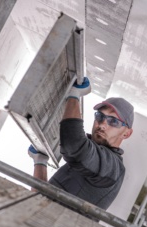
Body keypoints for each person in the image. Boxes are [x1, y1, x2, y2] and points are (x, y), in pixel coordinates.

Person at [28, 77, 134, 210]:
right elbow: (40, 199)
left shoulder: (113, 168)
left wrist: (74, 95)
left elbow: (74, 146)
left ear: (126, 134)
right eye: (100, 116)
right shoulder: (87, 160)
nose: (102, 124)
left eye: (113, 121)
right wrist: (40, 162)